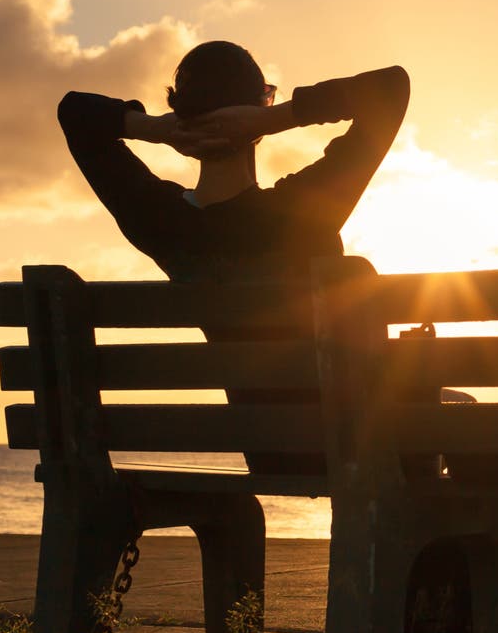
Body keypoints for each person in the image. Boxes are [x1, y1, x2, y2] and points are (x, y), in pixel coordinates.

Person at [58, 41, 409, 476]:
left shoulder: (159, 225)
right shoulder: (302, 215)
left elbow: (74, 112)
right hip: (358, 441)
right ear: (258, 111)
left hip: (267, 451)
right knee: (467, 419)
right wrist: (282, 117)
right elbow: (392, 88)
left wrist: (155, 129)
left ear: (179, 114)